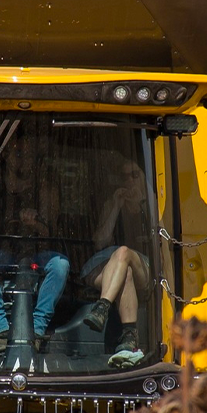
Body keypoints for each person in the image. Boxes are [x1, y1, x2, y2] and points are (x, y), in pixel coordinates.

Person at [0, 131, 70, 356]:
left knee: (60, 265)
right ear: (5, 153)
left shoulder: (45, 183)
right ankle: (0, 330)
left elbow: (50, 231)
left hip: (37, 252)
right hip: (4, 253)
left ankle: (37, 328)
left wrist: (35, 224)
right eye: (16, 152)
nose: (21, 157)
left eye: (25, 153)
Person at [81, 157, 151, 368]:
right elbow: (100, 241)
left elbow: (158, 241)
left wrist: (140, 208)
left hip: (143, 263)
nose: (129, 181)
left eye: (134, 175)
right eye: (124, 177)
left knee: (124, 253)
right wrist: (115, 207)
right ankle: (129, 337)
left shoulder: (152, 205)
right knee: (125, 272)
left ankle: (102, 306)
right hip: (107, 264)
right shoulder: (111, 203)